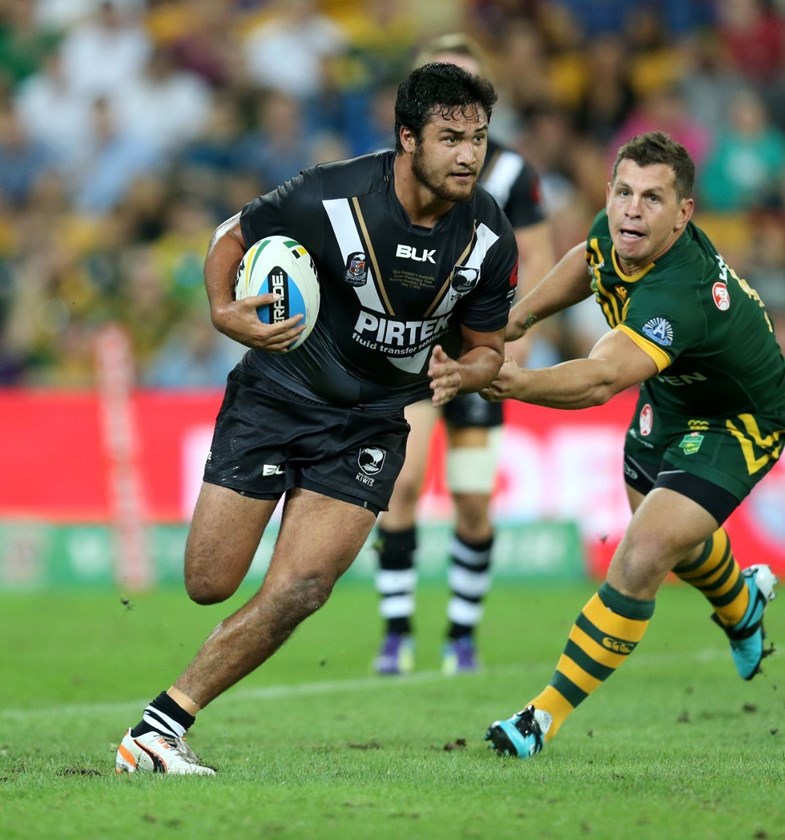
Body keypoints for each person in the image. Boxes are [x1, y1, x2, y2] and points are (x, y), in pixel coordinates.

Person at [113, 61, 519, 775]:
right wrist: (221, 308)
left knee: (302, 587)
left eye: (479, 138)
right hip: (277, 395)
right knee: (208, 581)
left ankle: (158, 729)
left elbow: (488, 348)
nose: (468, 154)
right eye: (451, 137)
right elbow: (231, 234)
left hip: (370, 423)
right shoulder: (332, 194)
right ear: (406, 138)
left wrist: (467, 370)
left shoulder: (488, 234)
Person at [481, 130, 783, 759]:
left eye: (651, 198)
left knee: (644, 550)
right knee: (674, 534)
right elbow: (585, 261)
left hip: (739, 417)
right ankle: (742, 600)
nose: (630, 209)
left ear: (684, 213)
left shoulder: (682, 289)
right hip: (671, 397)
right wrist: (520, 317)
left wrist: (513, 383)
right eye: (623, 192)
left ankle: (542, 717)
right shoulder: (618, 231)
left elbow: (598, 381)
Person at [372, 33, 554, 676]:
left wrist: (516, 328)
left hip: (476, 352)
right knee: (403, 485)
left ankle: (462, 637)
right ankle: (395, 634)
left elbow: (533, 254)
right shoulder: (394, 170)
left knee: (474, 498)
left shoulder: (509, 174)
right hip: (414, 354)